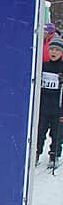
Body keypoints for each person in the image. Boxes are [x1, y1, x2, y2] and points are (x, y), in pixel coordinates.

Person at [37, 37, 63, 168]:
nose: (54, 52)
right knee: (39, 132)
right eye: (52, 49)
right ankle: (35, 155)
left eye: (57, 50)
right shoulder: (43, 66)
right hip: (43, 106)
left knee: (56, 133)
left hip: (57, 108)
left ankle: (54, 156)